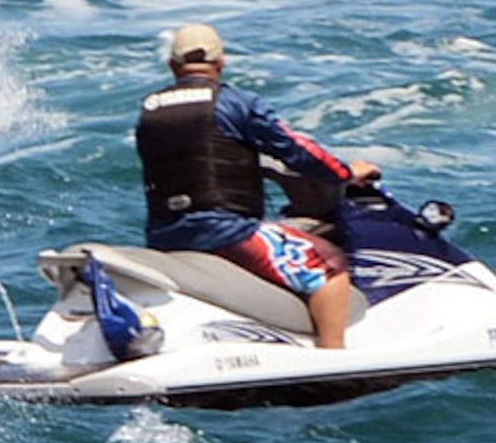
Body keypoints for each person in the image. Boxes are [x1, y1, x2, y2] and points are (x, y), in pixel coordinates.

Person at [135, 22, 381, 350]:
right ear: (221, 63)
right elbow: (298, 152)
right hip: (226, 231)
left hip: (164, 234)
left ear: (172, 66)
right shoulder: (237, 103)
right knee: (329, 264)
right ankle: (335, 356)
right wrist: (345, 172)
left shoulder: (149, 109)